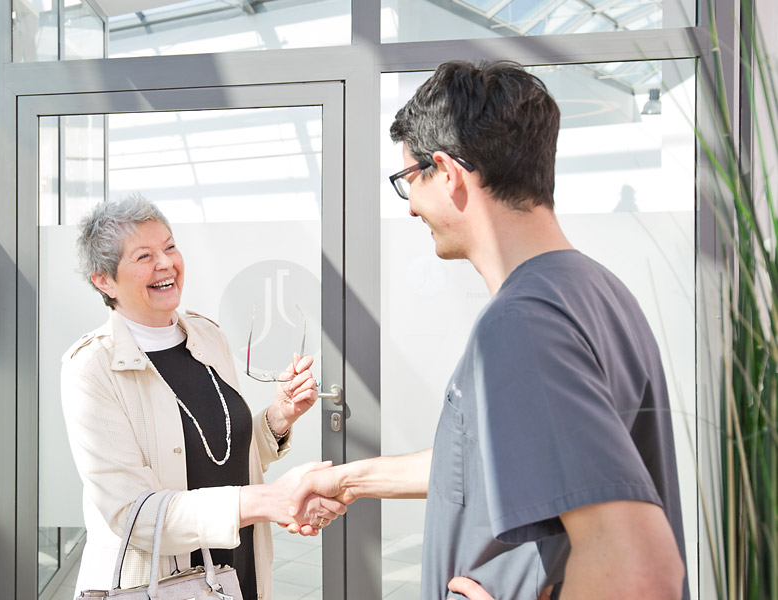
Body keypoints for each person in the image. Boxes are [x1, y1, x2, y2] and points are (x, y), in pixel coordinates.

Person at [287, 61, 688, 600]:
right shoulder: (596, 290)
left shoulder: (523, 322)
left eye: (408, 181)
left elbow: (641, 568)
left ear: (448, 173)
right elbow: (489, 459)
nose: (411, 211)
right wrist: (347, 481)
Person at [62, 194, 344, 599]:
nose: (165, 263)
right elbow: (132, 515)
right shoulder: (91, 367)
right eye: (143, 256)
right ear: (104, 281)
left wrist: (280, 415)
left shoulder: (206, 335)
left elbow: (221, 454)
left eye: (170, 247)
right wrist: (268, 500)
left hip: (237, 559)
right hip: (158, 582)